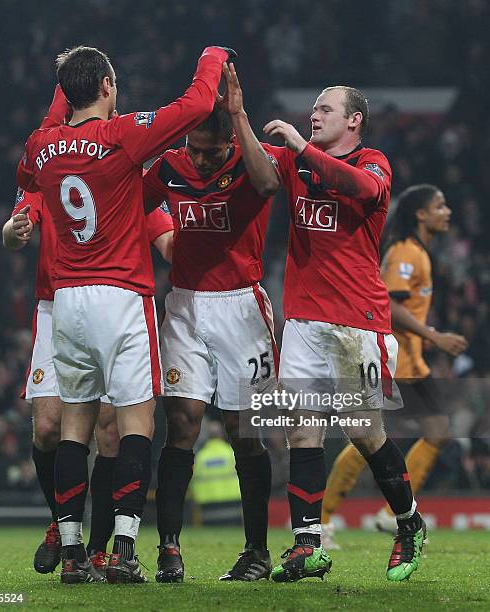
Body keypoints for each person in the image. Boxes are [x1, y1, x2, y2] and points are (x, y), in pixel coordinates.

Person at [16, 44, 232, 584]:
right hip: (120, 294)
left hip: (66, 301)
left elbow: (29, 168)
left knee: (75, 426)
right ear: (109, 86)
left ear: (65, 95)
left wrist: (63, 86)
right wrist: (212, 55)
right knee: (136, 422)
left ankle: (71, 552)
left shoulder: (42, 146)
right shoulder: (122, 137)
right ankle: (126, 550)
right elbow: (197, 102)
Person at [263, 86, 426, 582]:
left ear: (353, 120)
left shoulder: (373, 162)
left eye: (325, 109)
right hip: (304, 319)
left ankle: (409, 521)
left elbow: (364, 190)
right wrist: (230, 110)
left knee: (363, 431)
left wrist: (298, 146)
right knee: (301, 429)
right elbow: (247, 157)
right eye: (312, 108)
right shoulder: (294, 159)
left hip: (358, 320)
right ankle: (307, 546)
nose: (313, 115)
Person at [143, 63, 281, 583]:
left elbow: (269, 184)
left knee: (243, 432)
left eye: (210, 150)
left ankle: (256, 552)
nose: (200, 158)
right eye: (194, 148)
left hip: (243, 307)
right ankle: (169, 549)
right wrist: (162, 238)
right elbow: (137, 205)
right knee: (181, 423)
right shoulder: (171, 164)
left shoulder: (249, 162)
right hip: (185, 305)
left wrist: (239, 115)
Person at [2, 185, 173, 578]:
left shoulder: (124, 172)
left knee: (111, 430)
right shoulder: (53, 160)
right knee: (47, 427)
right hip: (56, 303)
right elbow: (13, 232)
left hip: (114, 302)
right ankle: (62, 526)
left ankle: (95, 549)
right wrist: (14, 230)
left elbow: (165, 237)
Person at [321, 184, 468, 544]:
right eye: (440, 205)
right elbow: (391, 304)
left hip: (410, 360)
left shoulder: (417, 251)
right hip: (395, 359)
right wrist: (435, 336)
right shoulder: (405, 252)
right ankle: (323, 519)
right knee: (371, 437)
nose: (446, 212)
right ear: (420, 214)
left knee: (431, 432)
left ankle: (389, 514)